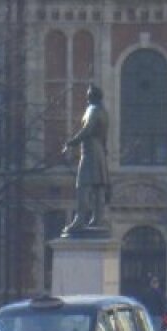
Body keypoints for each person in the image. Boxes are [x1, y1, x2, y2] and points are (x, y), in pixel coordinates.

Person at [61, 84, 111, 234]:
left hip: (90, 152)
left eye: (87, 95)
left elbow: (87, 129)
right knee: (97, 187)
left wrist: (71, 142)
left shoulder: (93, 110)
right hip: (99, 151)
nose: (86, 98)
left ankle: (80, 219)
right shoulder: (103, 111)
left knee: (82, 185)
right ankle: (97, 219)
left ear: (91, 96)